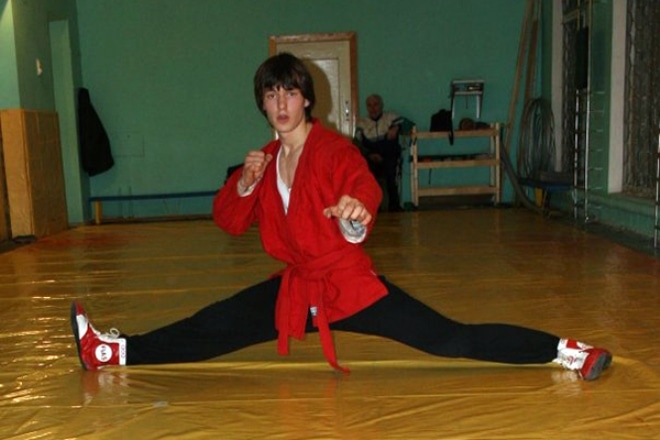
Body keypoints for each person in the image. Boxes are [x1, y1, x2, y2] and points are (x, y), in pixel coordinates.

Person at [71, 53, 612, 381]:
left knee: (452, 339)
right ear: (262, 104)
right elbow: (229, 221)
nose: (281, 103)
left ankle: (564, 350)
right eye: (271, 94)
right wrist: (245, 184)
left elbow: (361, 189)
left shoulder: (333, 151)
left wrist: (355, 214)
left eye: (290, 92)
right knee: (209, 328)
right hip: (296, 289)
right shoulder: (264, 159)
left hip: (346, 285)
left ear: (307, 99)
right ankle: (110, 350)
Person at [354, 94, 405, 212]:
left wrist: (396, 127)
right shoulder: (362, 123)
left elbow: (408, 124)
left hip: (389, 156)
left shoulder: (390, 117)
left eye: (376, 104)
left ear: (381, 105)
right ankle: (372, 207)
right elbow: (356, 144)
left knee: (391, 173)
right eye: (369, 105)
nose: (373, 108)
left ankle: (394, 207)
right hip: (370, 156)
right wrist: (369, 155)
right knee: (367, 176)